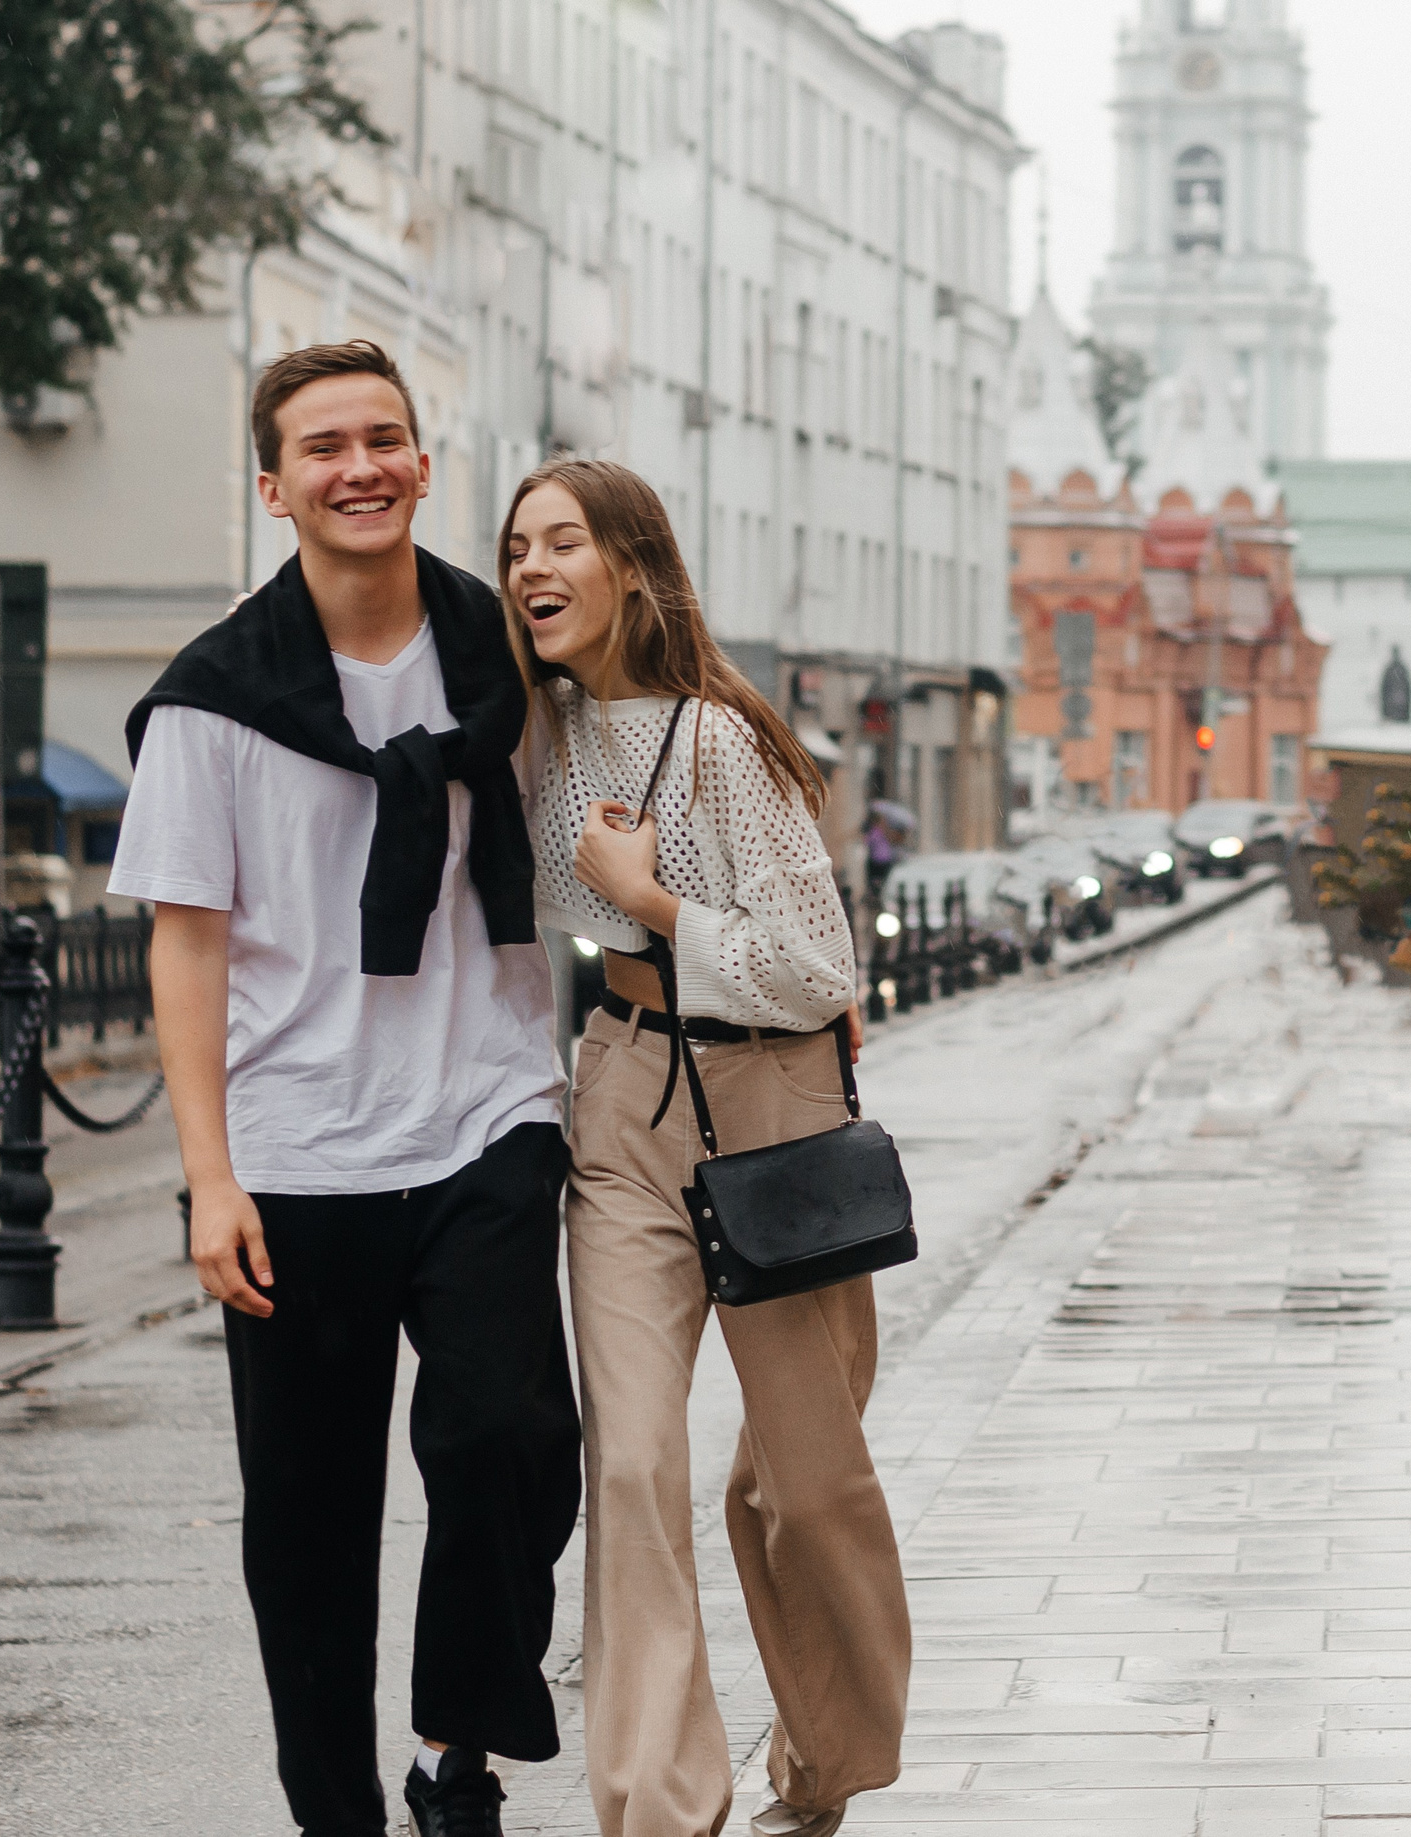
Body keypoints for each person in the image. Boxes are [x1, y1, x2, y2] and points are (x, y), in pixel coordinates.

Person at [109, 340, 580, 1837]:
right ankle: (339, 1816)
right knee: (308, 1528)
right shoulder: (215, 700)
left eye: (386, 438)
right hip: (298, 1150)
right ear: (274, 486)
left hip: (488, 1115)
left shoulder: (508, 660)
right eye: (324, 447)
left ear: (426, 465)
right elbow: (185, 953)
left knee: (511, 1436)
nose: (359, 466)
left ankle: (457, 1748)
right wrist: (210, 1174)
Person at [502, 457, 910, 1837]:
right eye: (515, 551)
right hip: (622, 1095)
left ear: (632, 563)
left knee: (803, 1479)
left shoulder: (725, 742)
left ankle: (830, 1753)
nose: (532, 571)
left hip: (774, 1100)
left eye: (562, 542)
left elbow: (817, 966)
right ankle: (659, 1804)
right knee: (628, 1459)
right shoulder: (537, 735)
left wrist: (652, 902)